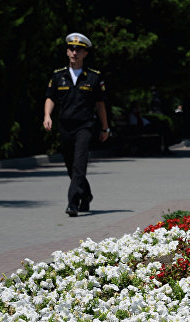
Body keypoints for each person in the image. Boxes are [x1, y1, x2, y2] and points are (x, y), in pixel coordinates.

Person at [43, 33, 109, 217]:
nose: (74, 52)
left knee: (80, 164)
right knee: (71, 166)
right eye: (71, 49)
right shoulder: (58, 76)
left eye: (78, 50)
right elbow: (50, 97)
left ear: (85, 54)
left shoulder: (94, 77)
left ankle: (73, 203)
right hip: (65, 127)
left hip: (85, 126)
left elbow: (100, 104)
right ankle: (86, 194)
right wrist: (47, 115)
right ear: (67, 52)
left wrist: (105, 128)